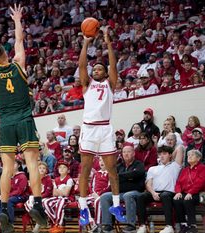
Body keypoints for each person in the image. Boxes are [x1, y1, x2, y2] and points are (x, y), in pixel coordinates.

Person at [0, 4, 47, 231]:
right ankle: (37, 204)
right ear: (6, 55)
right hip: (25, 119)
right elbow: (19, 40)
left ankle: (4, 207)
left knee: (7, 169)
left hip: (6, 123)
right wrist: (17, 20)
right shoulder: (18, 64)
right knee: (32, 163)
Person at [77, 27, 126, 229]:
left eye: (100, 69)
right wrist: (86, 43)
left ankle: (116, 205)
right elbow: (81, 66)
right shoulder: (86, 85)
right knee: (86, 169)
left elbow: (113, 65)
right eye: (94, 69)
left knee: (113, 169)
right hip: (89, 129)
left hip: (105, 129)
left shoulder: (110, 84)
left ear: (105, 73)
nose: (96, 70)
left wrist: (107, 41)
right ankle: (82, 208)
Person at [100, 142, 146, 233]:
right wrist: (128, 177)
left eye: (128, 152)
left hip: (137, 192)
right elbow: (114, 178)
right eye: (124, 152)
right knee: (105, 196)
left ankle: (131, 225)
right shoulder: (119, 166)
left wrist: (120, 176)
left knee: (128, 195)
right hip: (121, 192)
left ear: (133, 153)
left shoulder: (139, 164)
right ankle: (108, 225)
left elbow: (137, 174)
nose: (126, 154)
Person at [136, 146, 183, 233]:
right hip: (155, 192)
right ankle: (142, 226)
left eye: (164, 154)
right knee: (140, 197)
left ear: (170, 155)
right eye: (160, 154)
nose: (161, 156)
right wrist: (153, 193)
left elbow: (180, 148)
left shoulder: (175, 166)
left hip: (169, 193)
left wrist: (171, 156)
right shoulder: (152, 168)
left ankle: (169, 226)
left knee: (165, 195)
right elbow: (148, 184)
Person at [173, 150, 205, 233]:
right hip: (185, 193)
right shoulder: (185, 170)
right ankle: (183, 224)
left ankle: (193, 225)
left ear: (198, 158)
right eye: (188, 155)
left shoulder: (203, 168)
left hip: (199, 193)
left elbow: (201, 182)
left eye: (192, 155)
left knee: (187, 200)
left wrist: (190, 192)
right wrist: (178, 192)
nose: (189, 156)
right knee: (176, 200)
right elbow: (178, 182)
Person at [0, 160, 29, 231]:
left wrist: (7, 196)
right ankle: (3, 221)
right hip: (11, 196)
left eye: (14, 163)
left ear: (19, 165)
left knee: (8, 201)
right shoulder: (9, 176)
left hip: (22, 196)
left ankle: (10, 223)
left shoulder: (22, 176)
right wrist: (2, 195)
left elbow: (20, 191)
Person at [42, 161, 74, 232]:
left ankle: (59, 225)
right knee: (45, 202)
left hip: (68, 198)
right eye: (60, 167)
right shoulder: (56, 179)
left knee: (60, 202)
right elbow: (54, 193)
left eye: (64, 167)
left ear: (68, 170)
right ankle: (55, 221)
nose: (61, 169)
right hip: (57, 198)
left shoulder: (69, 179)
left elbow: (66, 194)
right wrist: (61, 192)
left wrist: (58, 191)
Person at [24, 162, 53, 233]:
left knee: (41, 203)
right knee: (27, 203)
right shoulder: (34, 179)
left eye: (44, 168)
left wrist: (38, 198)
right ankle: (39, 219)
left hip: (45, 198)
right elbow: (30, 191)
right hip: (34, 198)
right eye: (40, 168)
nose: (42, 170)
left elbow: (48, 192)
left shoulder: (48, 179)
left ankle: (39, 223)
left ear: (46, 171)